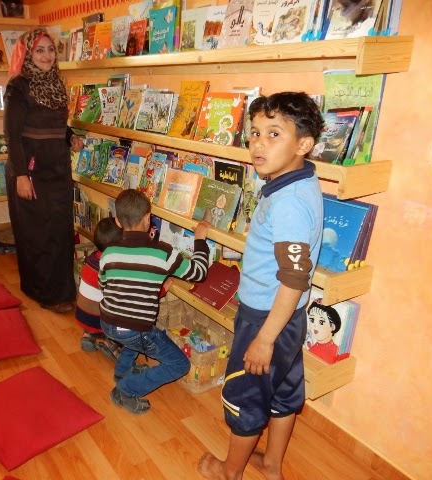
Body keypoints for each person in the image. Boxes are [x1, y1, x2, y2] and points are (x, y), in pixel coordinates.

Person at [198, 91, 324, 480]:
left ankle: (229, 471)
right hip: (289, 318)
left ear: (303, 144)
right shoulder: (296, 183)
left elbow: (294, 276)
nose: (258, 144)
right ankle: (271, 465)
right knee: (283, 393)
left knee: (246, 395)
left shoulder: (288, 203)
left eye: (273, 134)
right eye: (254, 133)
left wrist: (265, 339)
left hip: (267, 320)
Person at [99, 189, 211, 415]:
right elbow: (199, 272)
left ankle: (122, 372)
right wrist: (200, 239)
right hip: (134, 330)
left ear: (118, 221)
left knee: (132, 332)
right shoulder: (162, 253)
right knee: (179, 364)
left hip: (107, 323)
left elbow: (105, 286)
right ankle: (125, 390)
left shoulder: (108, 253)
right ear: (148, 218)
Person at [4, 28, 84, 314]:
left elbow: (55, 123)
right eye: (40, 50)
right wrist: (21, 176)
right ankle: (45, 293)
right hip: (31, 171)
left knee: (60, 232)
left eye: (50, 50)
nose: (47, 55)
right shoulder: (18, 87)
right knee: (38, 235)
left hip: (58, 169)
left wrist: (70, 136)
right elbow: (12, 134)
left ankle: (61, 290)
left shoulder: (56, 83)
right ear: (28, 54)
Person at [76, 217, 123, 360]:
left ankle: (88, 335)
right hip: (98, 321)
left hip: (82, 315)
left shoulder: (92, 258)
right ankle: (109, 341)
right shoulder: (112, 268)